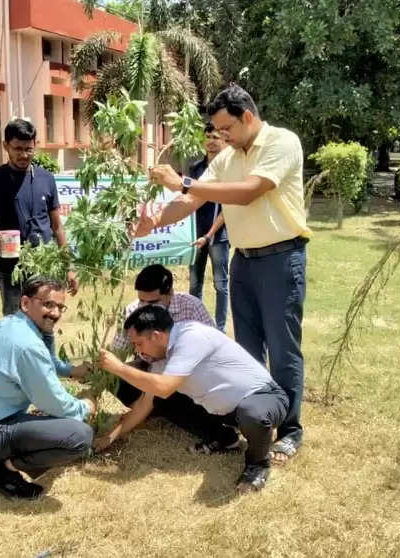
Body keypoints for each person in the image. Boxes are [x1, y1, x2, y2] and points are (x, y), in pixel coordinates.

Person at [141, 85, 311, 463]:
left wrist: (183, 180)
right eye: (216, 130)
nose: (221, 137)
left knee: (283, 350)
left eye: (226, 128)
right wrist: (153, 222)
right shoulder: (229, 155)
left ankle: (290, 430)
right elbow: (191, 200)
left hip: (282, 259)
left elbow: (250, 191)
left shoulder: (282, 143)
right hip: (244, 260)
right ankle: (254, 421)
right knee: (246, 351)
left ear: (247, 116)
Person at [98, 306, 289, 493]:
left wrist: (119, 368)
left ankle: (258, 464)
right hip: (227, 410)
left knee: (253, 414)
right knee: (163, 399)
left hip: (263, 397)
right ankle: (224, 438)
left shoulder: (191, 337)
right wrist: (110, 437)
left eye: (138, 343)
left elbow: (163, 387)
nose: (137, 351)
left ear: (156, 336)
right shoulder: (163, 359)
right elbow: (144, 404)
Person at [0, 277, 95, 499]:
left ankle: (7, 454)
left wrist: (74, 371)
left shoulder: (13, 323)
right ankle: (3, 471)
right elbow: (54, 401)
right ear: (25, 303)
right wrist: (85, 406)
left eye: (60, 307)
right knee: (79, 436)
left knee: (53, 421)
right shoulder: (26, 343)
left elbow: (48, 361)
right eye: (48, 304)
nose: (55, 313)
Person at [109, 264, 239, 453]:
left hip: (190, 376)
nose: (144, 308)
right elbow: (117, 355)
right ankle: (154, 409)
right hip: (155, 374)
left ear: (169, 292)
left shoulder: (192, 307)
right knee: (115, 378)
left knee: (166, 393)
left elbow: (211, 353)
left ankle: (219, 432)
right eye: (141, 301)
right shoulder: (132, 310)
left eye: (152, 302)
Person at [0, 119, 78, 316]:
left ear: (35, 145)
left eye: (29, 149)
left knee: (46, 320)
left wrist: (68, 267)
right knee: (14, 322)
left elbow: (57, 227)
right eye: (18, 148)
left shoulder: (46, 179)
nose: (24, 155)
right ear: (5, 146)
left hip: (44, 267)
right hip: (10, 268)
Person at [189, 123, 230, 333]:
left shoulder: (229, 170)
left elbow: (227, 210)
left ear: (224, 140)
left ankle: (220, 330)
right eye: (207, 137)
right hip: (195, 236)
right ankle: (196, 327)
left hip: (218, 236)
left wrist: (210, 234)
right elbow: (187, 199)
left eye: (215, 137)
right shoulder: (196, 169)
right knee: (195, 284)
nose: (211, 142)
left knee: (220, 285)